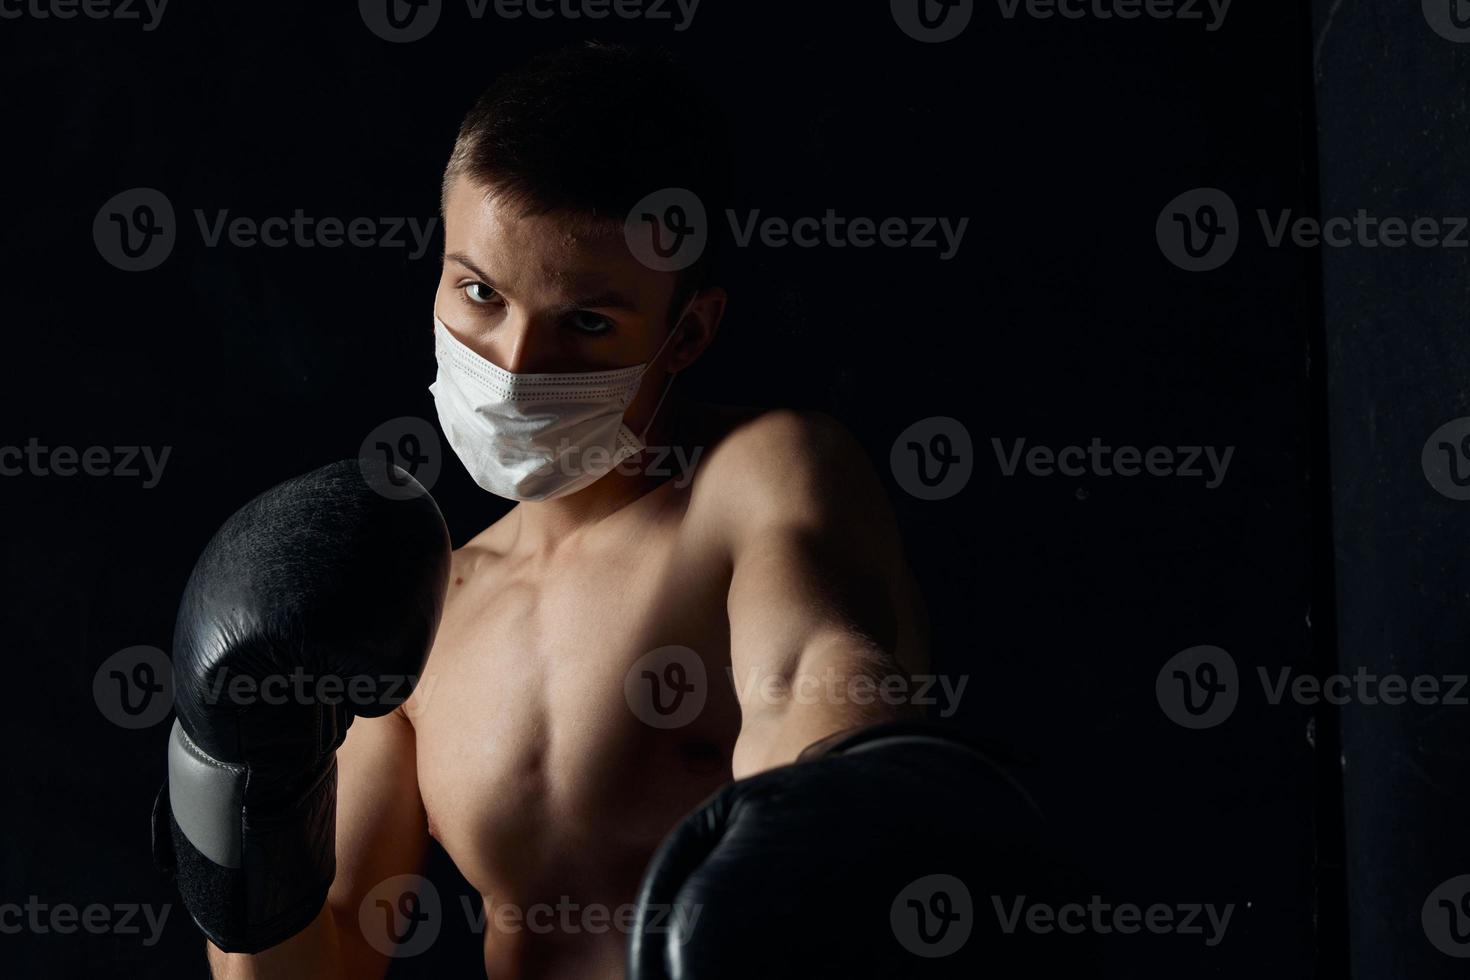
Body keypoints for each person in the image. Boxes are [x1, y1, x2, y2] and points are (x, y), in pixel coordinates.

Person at [172, 41, 934, 979]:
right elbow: (324, 964)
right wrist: (235, 788)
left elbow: (817, 682)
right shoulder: (422, 606)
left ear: (686, 331)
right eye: (480, 292)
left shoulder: (757, 480)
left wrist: (856, 778)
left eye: (587, 322)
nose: (517, 365)